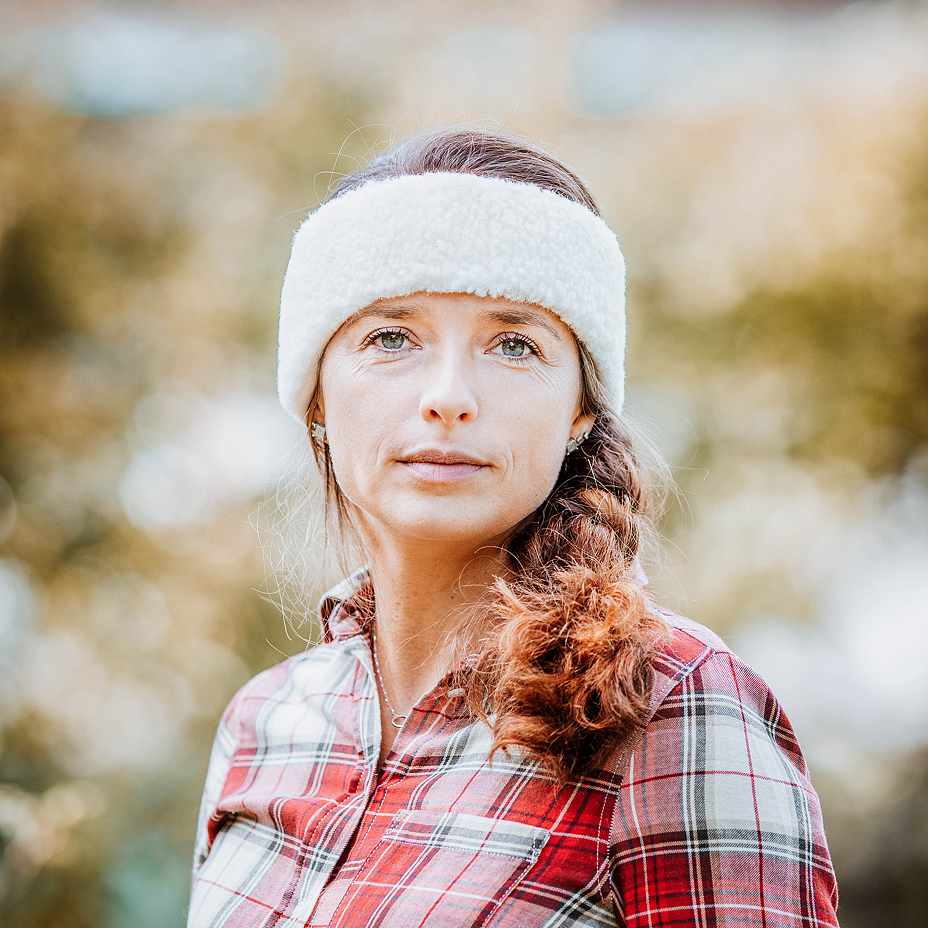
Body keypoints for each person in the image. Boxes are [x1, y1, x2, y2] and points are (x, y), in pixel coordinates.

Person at [187, 128, 839, 927]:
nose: (450, 394)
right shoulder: (265, 724)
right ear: (317, 391)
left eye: (514, 344)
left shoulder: (672, 708)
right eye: (391, 337)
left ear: (581, 408)